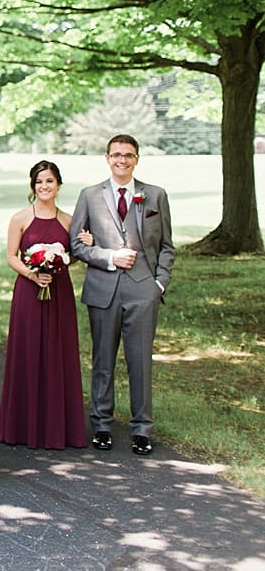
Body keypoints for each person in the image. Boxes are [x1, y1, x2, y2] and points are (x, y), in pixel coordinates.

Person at [70, 134, 175, 456]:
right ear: (107, 158)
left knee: (140, 361)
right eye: (116, 155)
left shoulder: (154, 195)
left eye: (128, 155)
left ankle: (141, 429)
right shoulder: (90, 195)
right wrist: (109, 257)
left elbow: (168, 246)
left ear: (137, 159)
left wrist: (159, 283)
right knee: (103, 360)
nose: (122, 160)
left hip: (143, 290)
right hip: (103, 289)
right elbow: (76, 244)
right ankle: (101, 424)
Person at [0, 161, 89, 450]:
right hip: (29, 292)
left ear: (58, 185)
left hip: (58, 292)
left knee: (58, 353)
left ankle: (60, 427)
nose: (44, 187)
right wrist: (32, 274)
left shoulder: (69, 220)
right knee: (28, 352)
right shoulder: (20, 218)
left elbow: (75, 254)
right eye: (39, 182)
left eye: (49, 181)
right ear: (32, 186)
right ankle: (23, 426)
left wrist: (73, 251)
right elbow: (11, 256)